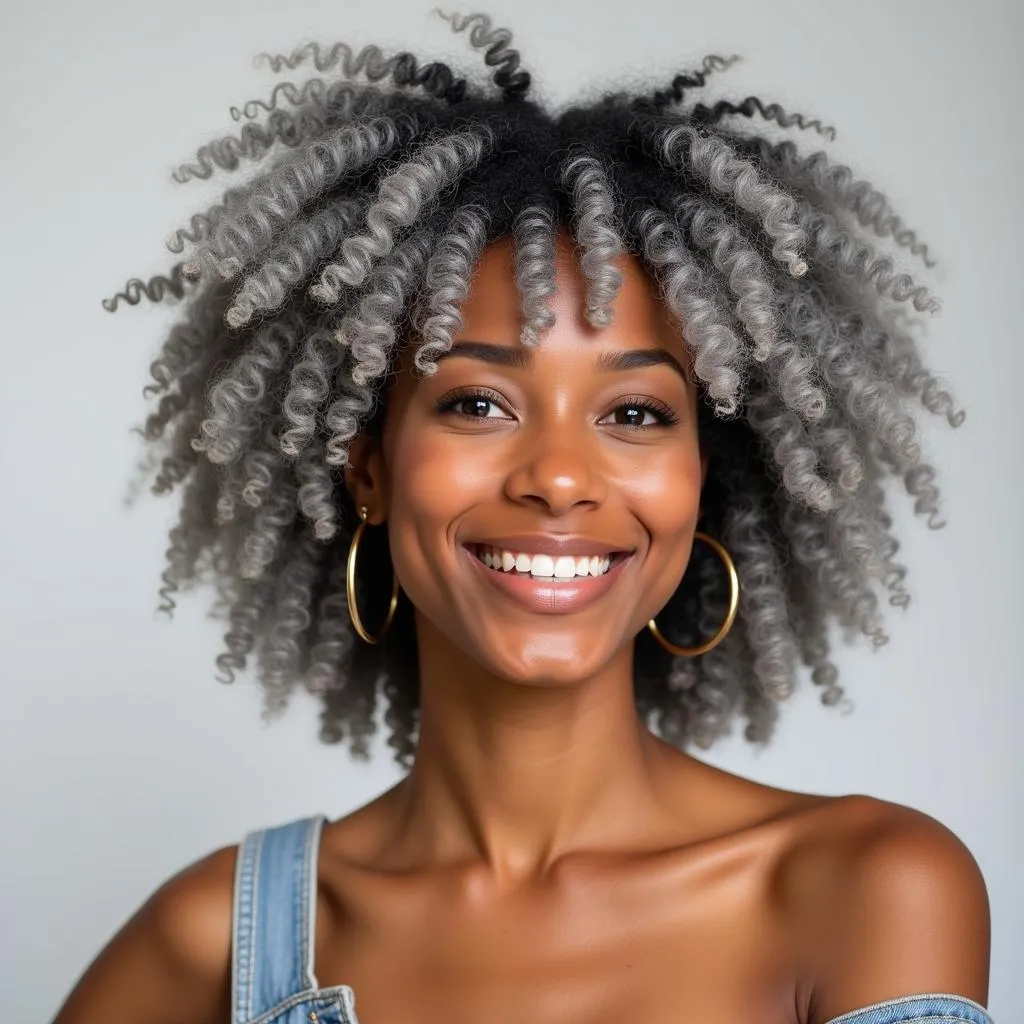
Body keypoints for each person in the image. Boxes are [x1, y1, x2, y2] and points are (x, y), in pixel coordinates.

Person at [54, 11, 994, 1024]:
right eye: (476, 403)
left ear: (700, 482)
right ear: (365, 466)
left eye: (634, 413)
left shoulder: (867, 889)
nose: (558, 477)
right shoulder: (211, 947)